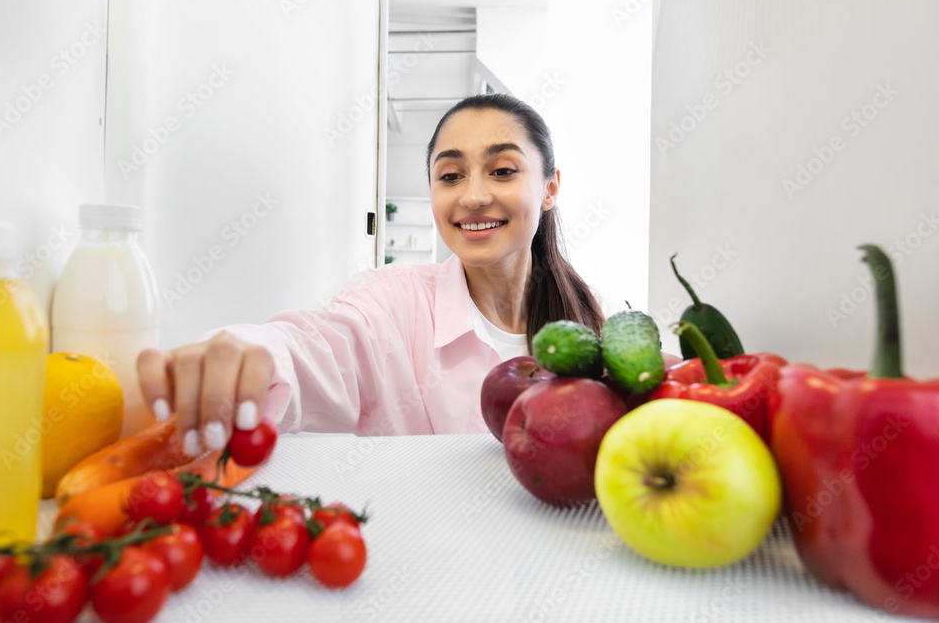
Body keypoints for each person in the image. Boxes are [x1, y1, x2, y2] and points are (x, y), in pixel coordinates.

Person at [137, 93, 647, 456]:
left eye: (503, 170)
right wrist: (246, 353)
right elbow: (313, 347)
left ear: (550, 187)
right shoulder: (390, 303)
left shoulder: (593, 315)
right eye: (450, 176)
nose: (472, 196)